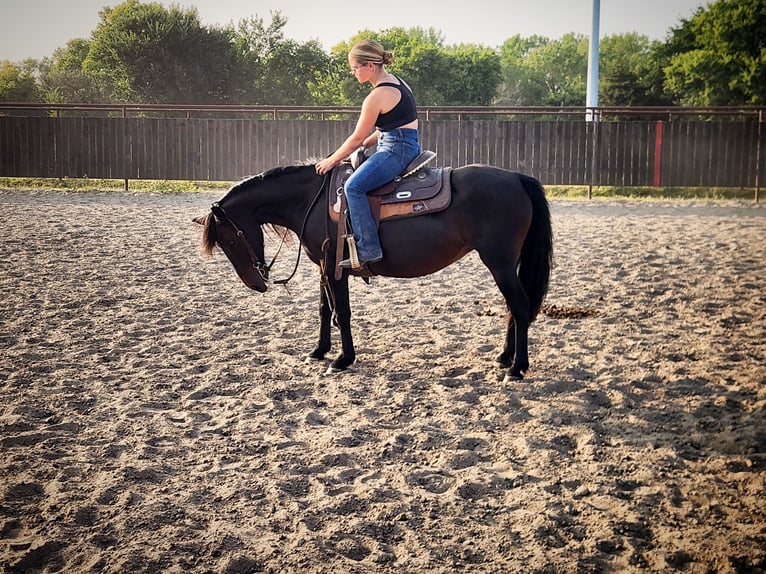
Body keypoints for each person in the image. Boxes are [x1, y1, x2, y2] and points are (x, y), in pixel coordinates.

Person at [315, 39, 420, 268]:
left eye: (355, 67)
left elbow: (356, 138)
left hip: (395, 151)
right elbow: (393, 127)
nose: (353, 73)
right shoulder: (398, 83)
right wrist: (366, 145)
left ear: (370, 65)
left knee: (354, 186)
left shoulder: (375, 97)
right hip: (404, 144)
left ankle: (368, 249)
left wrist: (332, 160)